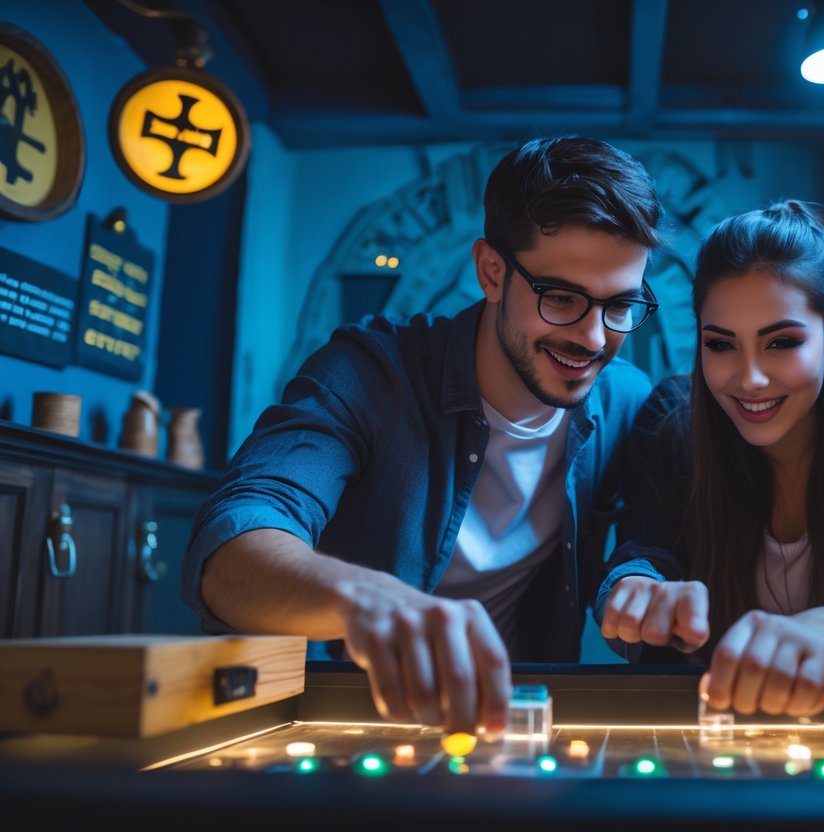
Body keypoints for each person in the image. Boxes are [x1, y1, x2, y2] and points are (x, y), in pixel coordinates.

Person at [183, 137, 664, 737]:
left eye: (619, 305)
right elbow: (232, 545)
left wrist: (640, 580)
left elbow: (646, 539)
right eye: (561, 298)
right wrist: (368, 602)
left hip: (525, 729)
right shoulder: (369, 373)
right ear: (492, 272)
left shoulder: (626, 399)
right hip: (358, 725)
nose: (593, 338)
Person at [596, 200, 824, 719]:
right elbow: (643, 551)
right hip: (707, 734)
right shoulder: (672, 419)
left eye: (781, 342)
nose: (749, 379)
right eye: (721, 345)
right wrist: (636, 588)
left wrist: (817, 631)